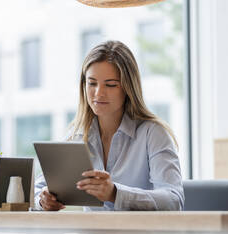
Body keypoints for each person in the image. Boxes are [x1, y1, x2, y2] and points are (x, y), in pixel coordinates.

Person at [34, 40, 184, 211]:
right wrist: (43, 200)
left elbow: (173, 200)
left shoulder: (153, 133)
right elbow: (37, 189)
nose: (98, 93)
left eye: (111, 85)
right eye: (92, 83)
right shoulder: (76, 135)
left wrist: (115, 193)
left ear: (128, 87)